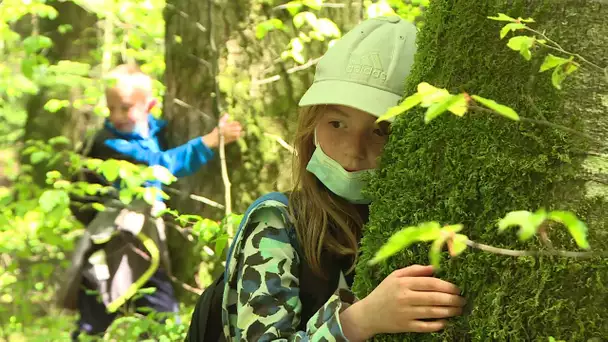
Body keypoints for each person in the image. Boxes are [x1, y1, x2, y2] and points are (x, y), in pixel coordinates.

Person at [188, 16, 467, 341]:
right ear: (311, 126)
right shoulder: (277, 224)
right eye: (337, 124)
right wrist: (360, 320)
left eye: (380, 131)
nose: (353, 152)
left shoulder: (416, 220)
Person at [57, 64, 243, 340]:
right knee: (97, 316)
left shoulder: (152, 130)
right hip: (112, 243)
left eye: (126, 107)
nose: (117, 116)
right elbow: (158, 166)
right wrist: (209, 141)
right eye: (111, 109)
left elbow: (156, 143)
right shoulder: (109, 143)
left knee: (157, 312)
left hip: (143, 239)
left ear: (150, 105)